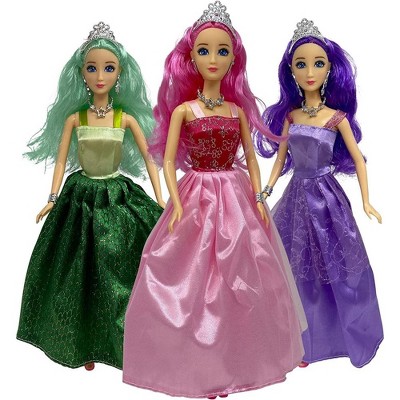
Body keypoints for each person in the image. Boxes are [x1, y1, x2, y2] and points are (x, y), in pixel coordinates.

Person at [123, 2, 306, 398]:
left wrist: (259, 197)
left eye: (222, 51)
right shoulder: (183, 111)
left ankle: (236, 361)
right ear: (190, 58)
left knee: (242, 273)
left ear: (233, 60)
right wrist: (175, 202)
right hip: (196, 193)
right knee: (192, 277)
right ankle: (198, 366)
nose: (213, 59)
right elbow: (167, 160)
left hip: (236, 196)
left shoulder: (237, 110)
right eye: (204, 50)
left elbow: (251, 159)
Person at [17, 22, 165, 371]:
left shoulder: (125, 119)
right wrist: (52, 197)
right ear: (81, 73)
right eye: (92, 68)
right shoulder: (75, 118)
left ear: (121, 74)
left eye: (109, 68)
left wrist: (160, 199)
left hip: (115, 196)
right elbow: (60, 160)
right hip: (80, 197)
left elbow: (150, 158)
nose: (100, 76)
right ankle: (85, 343)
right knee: (80, 272)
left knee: (118, 270)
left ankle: (124, 341)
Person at [255, 18, 383, 368]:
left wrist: (366, 201)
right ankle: (300, 342)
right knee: (295, 267)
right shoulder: (291, 116)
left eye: (318, 63)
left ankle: (340, 335)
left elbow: (358, 159)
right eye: (301, 64)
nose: (310, 72)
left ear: (329, 70)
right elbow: (281, 159)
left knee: (335, 263)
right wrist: (266, 189)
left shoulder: (336, 118)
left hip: (327, 199)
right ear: (291, 71)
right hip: (296, 197)